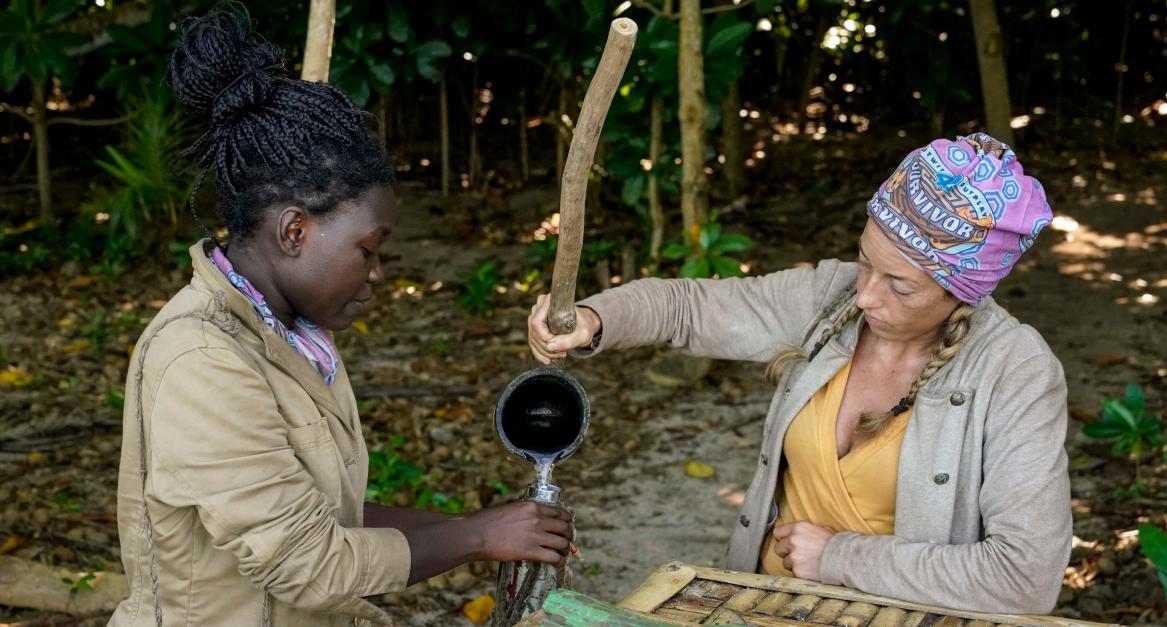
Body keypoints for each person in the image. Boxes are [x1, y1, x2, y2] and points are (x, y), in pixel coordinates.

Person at [110, 11, 572, 627]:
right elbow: (309, 562)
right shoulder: (203, 361)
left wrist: (487, 528)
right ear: (295, 230)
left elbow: (326, 514)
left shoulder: (292, 336)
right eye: (367, 249)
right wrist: (477, 538)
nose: (379, 272)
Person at [528, 133, 1070, 614]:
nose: (864, 296)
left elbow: (1025, 578)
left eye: (900, 287)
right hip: (762, 604)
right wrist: (597, 319)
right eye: (864, 261)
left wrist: (838, 556)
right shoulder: (829, 299)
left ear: (963, 294)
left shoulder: (1014, 371)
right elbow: (688, 307)